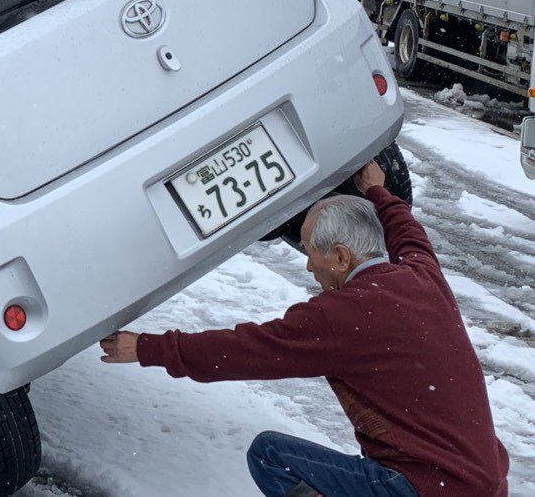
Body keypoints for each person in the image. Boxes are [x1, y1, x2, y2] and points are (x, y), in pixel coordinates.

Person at [99, 159, 509, 497]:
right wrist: (378, 191)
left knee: (271, 456)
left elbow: (245, 351)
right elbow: (409, 233)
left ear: (342, 257)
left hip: (422, 487)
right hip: (481, 480)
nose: (309, 265)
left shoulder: (341, 316)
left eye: (312, 252)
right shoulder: (422, 277)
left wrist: (147, 348)